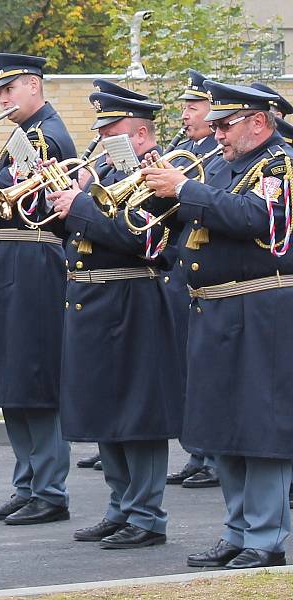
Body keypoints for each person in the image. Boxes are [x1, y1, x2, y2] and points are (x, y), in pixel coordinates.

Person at [142, 80, 293, 569]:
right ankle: (236, 529)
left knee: (260, 426)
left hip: (262, 307)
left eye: (226, 124)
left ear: (258, 121)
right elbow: (194, 223)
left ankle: (265, 537)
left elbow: (263, 218)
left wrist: (187, 190)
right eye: (216, 125)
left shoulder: (280, 164)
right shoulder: (224, 167)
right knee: (221, 423)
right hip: (214, 307)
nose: (217, 134)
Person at [47, 88, 184, 550]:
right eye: (102, 130)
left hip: (132, 297)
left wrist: (80, 206)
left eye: (112, 129)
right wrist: (58, 205)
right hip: (92, 298)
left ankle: (146, 514)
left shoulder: (159, 174)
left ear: (141, 133)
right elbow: (80, 227)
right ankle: (120, 506)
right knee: (104, 407)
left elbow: (144, 240)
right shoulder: (106, 172)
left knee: (137, 411)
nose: (102, 137)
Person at [0, 53, 73, 526]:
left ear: (34, 86)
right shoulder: (19, 135)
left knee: (35, 376)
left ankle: (49, 487)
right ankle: (27, 482)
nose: (3, 98)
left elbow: (21, 199)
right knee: (11, 379)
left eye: (10, 89)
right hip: (5, 261)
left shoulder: (48, 136)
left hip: (31, 260)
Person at [165, 69, 220, 490]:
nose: (185, 114)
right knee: (190, 366)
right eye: (184, 106)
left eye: (193, 106)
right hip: (185, 268)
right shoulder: (185, 148)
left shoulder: (214, 156)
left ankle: (212, 455)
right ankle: (199, 452)